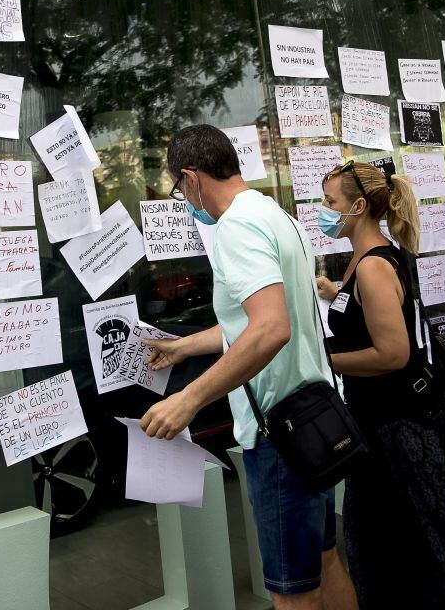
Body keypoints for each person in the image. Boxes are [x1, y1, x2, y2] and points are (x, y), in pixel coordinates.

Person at [139, 124, 358, 610]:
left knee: (292, 593)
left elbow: (271, 329)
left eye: (178, 189)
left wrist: (189, 398)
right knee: (325, 561)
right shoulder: (274, 214)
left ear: (191, 178)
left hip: (281, 433)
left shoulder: (236, 227)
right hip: (313, 418)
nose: (183, 200)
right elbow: (258, 318)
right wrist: (185, 347)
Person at [314, 160, 445, 610]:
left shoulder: (373, 266)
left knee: (425, 551)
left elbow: (392, 353)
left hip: (399, 430)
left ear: (358, 207)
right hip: (376, 426)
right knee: (381, 548)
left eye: (330, 201)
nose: (323, 209)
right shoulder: (366, 259)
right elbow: (369, 313)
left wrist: (323, 360)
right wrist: (334, 295)